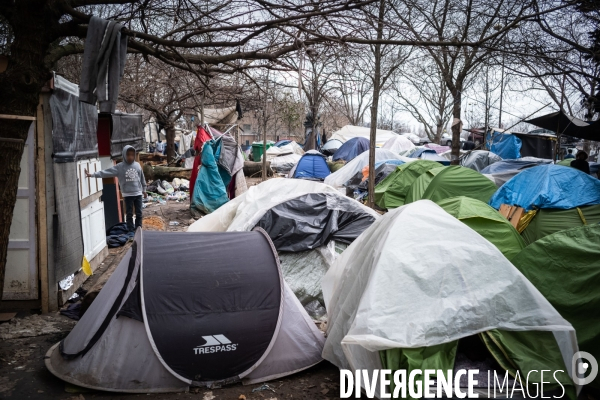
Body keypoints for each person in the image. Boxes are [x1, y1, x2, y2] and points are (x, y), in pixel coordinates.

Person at [85, 145, 147, 233]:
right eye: (128, 155)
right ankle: (130, 231)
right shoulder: (119, 167)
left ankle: (138, 229)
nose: (130, 157)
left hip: (138, 194)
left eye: (132, 155)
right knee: (129, 214)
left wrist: (144, 190)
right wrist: (92, 175)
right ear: (124, 155)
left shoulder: (137, 165)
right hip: (127, 195)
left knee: (139, 213)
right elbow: (106, 172)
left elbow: (142, 178)